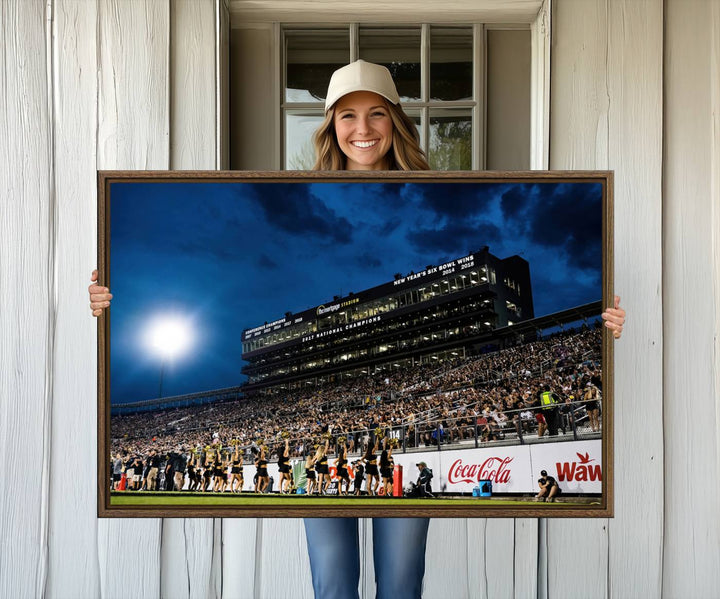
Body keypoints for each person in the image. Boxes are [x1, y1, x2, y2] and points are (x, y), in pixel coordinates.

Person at [89, 59, 627, 599]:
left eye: (376, 114)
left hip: (395, 442)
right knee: (333, 588)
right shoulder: (301, 193)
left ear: (395, 120)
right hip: (338, 452)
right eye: (347, 116)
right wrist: (103, 300)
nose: (362, 129)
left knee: (399, 587)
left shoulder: (440, 190)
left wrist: (605, 327)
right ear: (330, 126)